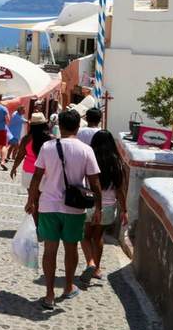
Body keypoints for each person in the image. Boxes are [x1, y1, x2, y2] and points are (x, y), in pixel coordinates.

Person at [25, 109, 102, 310]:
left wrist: (31, 200)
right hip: (74, 208)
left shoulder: (48, 147)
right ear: (78, 126)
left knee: (50, 250)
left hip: (48, 205)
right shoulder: (86, 150)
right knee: (71, 248)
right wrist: (99, 208)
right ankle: (68, 287)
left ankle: (49, 295)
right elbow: (95, 183)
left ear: (59, 125)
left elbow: (36, 176)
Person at [80, 130, 128, 282]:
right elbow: (120, 190)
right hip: (108, 207)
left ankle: (90, 263)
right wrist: (124, 210)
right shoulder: (117, 163)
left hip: (89, 203)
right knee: (98, 237)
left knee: (85, 236)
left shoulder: (89, 159)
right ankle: (97, 268)